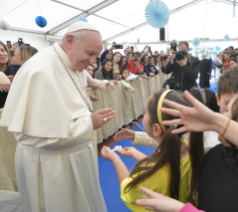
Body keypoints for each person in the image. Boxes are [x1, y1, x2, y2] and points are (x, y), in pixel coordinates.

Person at [0, 22, 116, 212]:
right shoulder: (41, 70)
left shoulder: (64, 61)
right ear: (70, 41)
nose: (93, 62)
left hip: (68, 159)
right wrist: (89, 123)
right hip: (51, 167)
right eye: (90, 54)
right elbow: (39, 135)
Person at [101, 90, 203, 211]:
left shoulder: (154, 173)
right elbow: (161, 167)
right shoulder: (188, 148)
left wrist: (114, 158)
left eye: (145, 113)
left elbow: (127, 189)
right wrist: (135, 152)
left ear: (156, 128)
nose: (143, 116)